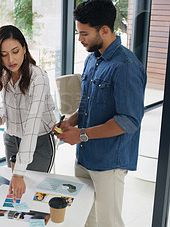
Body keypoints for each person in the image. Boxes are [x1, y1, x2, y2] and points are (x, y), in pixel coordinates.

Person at [54, 1, 147, 227]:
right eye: (79, 32)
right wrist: (71, 121)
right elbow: (87, 104)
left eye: (84, 33)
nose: (80, 39)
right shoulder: (92, 59)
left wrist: (82, 135)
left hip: (109, 162)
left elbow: (129, 120)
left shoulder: (126, 66)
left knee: (108, 222)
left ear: (104, 30)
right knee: (86, 217)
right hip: (85, 156)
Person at [0, 25, 57, 199]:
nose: (11, 59)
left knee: (35, 196)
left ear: (24, 49)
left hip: (39, 141)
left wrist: (18, 173)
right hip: (12, 141)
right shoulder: (6, 75)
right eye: (4, 54)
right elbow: (5, 106)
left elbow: (32, 125)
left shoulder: (38, 78)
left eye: (15, 51)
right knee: (17, 197)